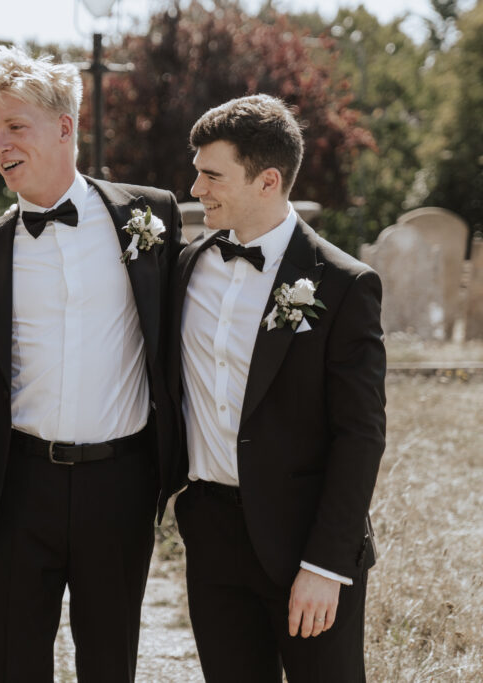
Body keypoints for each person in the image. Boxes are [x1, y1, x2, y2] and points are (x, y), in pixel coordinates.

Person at [0, 46, 184, 682]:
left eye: (14, 127)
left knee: (110, 664)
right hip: (18, 486)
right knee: (14, 665)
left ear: (65, 127)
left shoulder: (149, 218)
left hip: (120, 485)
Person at [166, 94, 386, 682]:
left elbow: (360, 435)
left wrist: (326, 564)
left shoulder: (344, 285)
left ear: (267, 180)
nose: (195, 189)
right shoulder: (186, 267)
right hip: (212, 536)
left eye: (211, 175)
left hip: (305, 543)